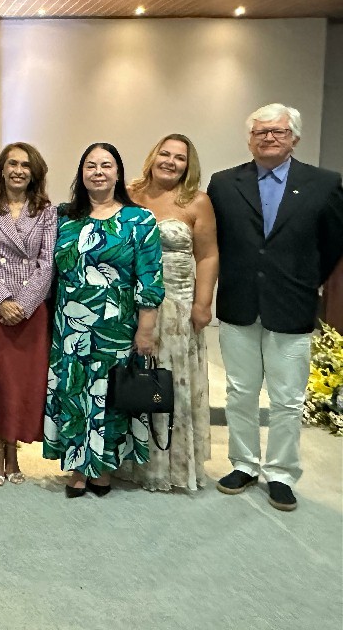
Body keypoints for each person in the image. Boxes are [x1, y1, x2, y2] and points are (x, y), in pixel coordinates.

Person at [208, 103, 343, 512]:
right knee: (240, 392)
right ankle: (244, 464)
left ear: (294, 138)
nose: (269, 137)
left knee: (287, 399)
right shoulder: (223, 183)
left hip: (292, 303)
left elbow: (333, 243)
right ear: (250, 139)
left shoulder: (324, 183)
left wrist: (304, 279)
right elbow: (215, 243)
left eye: (278, 131)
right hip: (239, 302)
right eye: (260, 132)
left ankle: (282, 473)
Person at [42, 142, 164, 498]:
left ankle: (104, 468)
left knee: (109, 393)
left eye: (106, 165)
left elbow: (150, 278)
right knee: (74, 391)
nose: (98, 172)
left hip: (116, 326)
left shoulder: (139, 219)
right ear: (81, 173)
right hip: (70, 323)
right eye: (91, 165)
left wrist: (146, 329)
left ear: (118, 173)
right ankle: (78, 466)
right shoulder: (63, 217)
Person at [120, 134, 217, 492]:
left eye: (180, 158)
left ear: (188, 166)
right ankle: (127, 461)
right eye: (165, 153)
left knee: (169, 381)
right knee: (130, 377)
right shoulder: (128, 194)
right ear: (153, 156)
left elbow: (207, 255)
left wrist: (203, 304)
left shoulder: (197, 201)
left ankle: (169, 465)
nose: (171, 162)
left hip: (177, 306)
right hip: (129, 302)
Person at [0, 143, 56, 487]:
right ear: (2, 170)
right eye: (12, 164)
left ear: (34, 172)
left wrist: (23, 304)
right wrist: (4, 300)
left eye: (25, 165)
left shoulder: (46, 210)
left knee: (20, 382)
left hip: (30, 310)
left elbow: (47, 263)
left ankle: (13, 449)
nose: (19, 170)